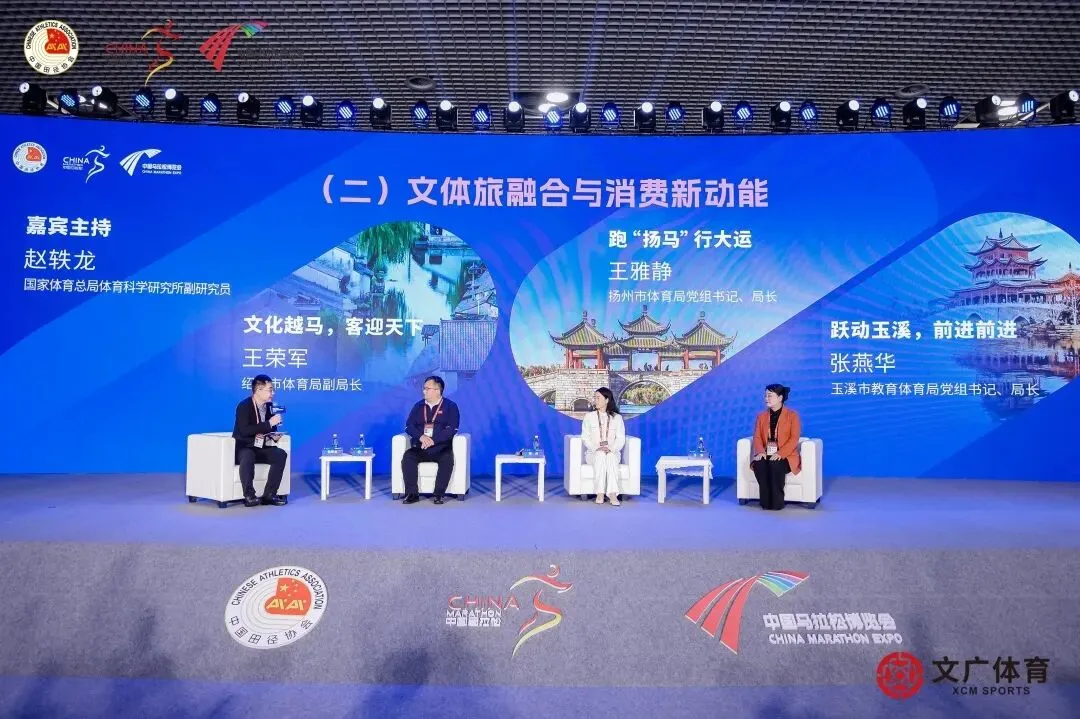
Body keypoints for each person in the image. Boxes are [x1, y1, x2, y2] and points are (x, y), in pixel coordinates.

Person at [401, 375, 460, 505]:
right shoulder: (418, 406)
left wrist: (433, 440)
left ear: (438, 390)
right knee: (408, 456)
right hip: (421, 447)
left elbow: (452, 429)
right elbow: (409, 426)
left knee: (447, 459)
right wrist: (421, 437)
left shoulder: (451, 406)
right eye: (424, 388)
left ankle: (439, 495)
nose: (424, 391)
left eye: (427, 388)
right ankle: (412, 494)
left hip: (441, 447)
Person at [231, 374, 287, 507]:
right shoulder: (244, 406)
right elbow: (244, 431)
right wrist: (269, 423)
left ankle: (270, 495)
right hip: (244, 447)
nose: (273, 393)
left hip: (261, 447)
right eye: (270, 390)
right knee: (248, 455)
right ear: (258, 390)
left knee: (280, 454)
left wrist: (274, 432)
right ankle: (249, 495)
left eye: (273, 390)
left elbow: (269, 427)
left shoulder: (269, 407)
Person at [750, 383, 802, 510]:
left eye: (769, 395)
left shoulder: (792, 415)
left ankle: (777, 503)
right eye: (765, 395)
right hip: (766, 453)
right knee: (759, 464)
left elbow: (794, 438)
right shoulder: (761, 417)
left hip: (786, 455)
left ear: (780, 398)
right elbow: (757, 437)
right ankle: (765, 502)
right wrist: (761, 452)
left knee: (775, 464)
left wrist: (780, 454)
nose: (766, 398)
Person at [581, 387, 626, 506]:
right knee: (600, 455)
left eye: (598, 398)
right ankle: (600, 493)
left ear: (607, 400)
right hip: (593, 453)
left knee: (610, 457)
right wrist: (596, 448)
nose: (595, 400)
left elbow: (621, 438)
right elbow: (585, 437)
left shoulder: (617, 418)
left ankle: (612, 494)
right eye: (595, 398)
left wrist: (611, 449)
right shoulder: (589, 417)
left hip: (612, 452)